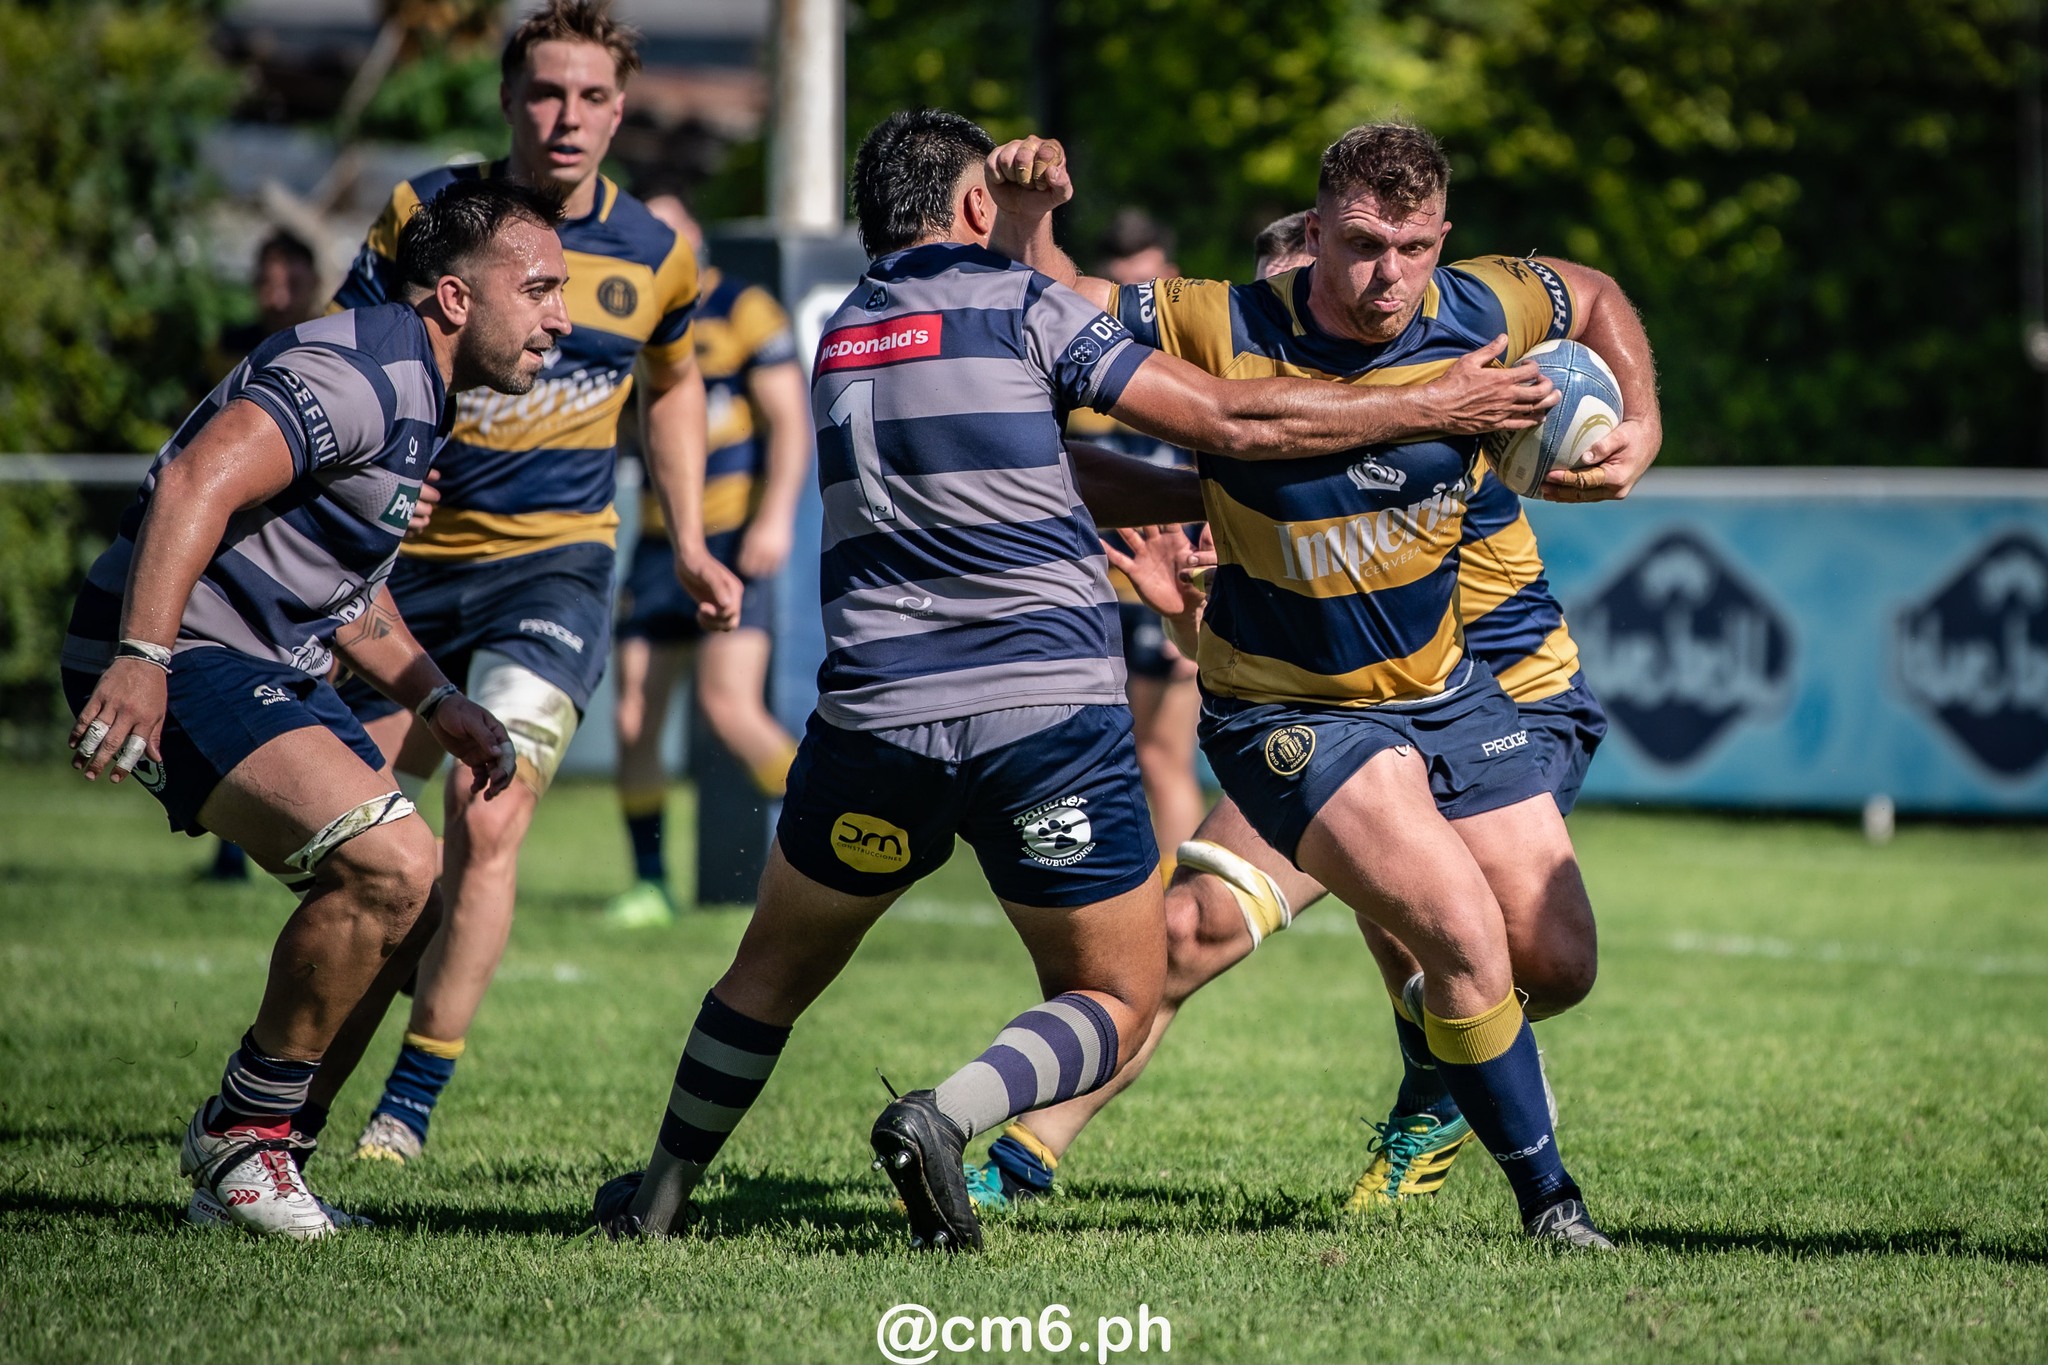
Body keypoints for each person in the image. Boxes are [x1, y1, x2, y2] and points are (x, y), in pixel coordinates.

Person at [589, 108, 1562, 1251]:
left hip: (874, 719)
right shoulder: (1021, 305)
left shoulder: (845, 329)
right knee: (1114, 994)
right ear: (967, 207)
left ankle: (654, 1196)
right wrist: (1434, 406)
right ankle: (948, 1115)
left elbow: (1055, 454)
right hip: (1040, 718)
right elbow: (1230, 419)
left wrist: (1216, 503)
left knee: (763, 978)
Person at [987, 120, 1662, 1246]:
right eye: (1344, 256)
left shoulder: (1474, 384)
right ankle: (1018, 1148)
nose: (1373, 283)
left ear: (1436, 243)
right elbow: (1273, 560)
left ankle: (1444, 1069)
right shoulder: (1256, 369)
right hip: (1320, 717)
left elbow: (1583, 291)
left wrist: (1639, 423)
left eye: (1403, 252)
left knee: (1521, 952)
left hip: (1498, 696)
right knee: (1222, 924)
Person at [59, 178, 568, 1237]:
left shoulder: (419, 392)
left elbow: (334, 581)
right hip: (183, 644)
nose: (559, 315)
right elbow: (197, 479)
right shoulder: (359, 373)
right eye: (538, 288)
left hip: (256, 652)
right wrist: (143, 658)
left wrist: (437, 702)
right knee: (389, 864)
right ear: (454, 299)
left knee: (412, 906)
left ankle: (263, 1159)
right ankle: (243, 1143)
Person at [305, 0, 739, 1168]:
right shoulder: (423, 215)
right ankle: (305, 1067)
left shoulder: (656, 251)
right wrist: (371, 478)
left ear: (620, 109)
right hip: (398, 577)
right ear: (506, 100)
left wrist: (690, 537)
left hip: (554, 563)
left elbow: (679, 383)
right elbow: (338, 358)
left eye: (593, 96)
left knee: (488, 814)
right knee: (359, 835)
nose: (567, 117)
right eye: (545, 92)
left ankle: (408, 1107)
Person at [604, 191, 809, 928]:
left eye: (673, 227)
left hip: (731, 541)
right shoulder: (629, 319)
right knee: (633, 716)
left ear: (697, 235)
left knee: (729, 707)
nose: (662, 240)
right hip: (660, 545)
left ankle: (837, 841)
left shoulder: (743, 309)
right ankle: (650, 881)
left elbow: (790, 423)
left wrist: (775, 517)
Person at [1065, 210, 1205, 877]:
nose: (1131, 302)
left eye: (1144, 284)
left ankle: (1184, 902)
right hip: (1093, 594)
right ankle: (1130, 891)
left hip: (1168, 591)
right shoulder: (1072, 366)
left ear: (1171, 280)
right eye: (1119, 286)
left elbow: (1220, 484)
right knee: (1102, 757)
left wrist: (1199, 599)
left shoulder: (1197, 367)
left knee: (1160, 753)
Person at [205, 229, 333, 883]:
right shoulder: (232, 346)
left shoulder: (334, 347)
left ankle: (313, 827)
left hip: (308, 546)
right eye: (267, 279)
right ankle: (236, 846)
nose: (277, 293)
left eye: (290, 278)